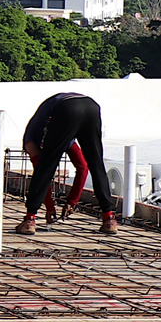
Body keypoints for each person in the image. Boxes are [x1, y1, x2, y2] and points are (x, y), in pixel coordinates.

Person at [18, 92, 117, 235]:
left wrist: (59, 205)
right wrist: (69, 201)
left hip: (67, 108)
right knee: (96, 164)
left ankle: (29, 220)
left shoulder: (31, 138)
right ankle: (109, 219)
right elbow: (84, 166)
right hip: (91, 106)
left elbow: (43, 170)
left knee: (45, 167)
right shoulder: (60, 132)